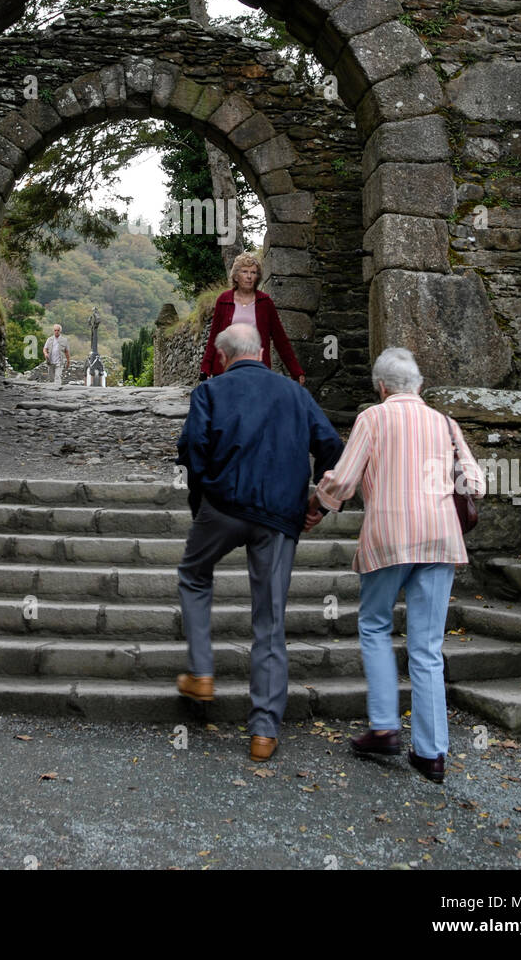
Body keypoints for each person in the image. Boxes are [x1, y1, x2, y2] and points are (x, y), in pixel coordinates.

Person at [306, 346, 485, 784]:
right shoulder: (445, 422)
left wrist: (317, 507)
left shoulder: (373, 417)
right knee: (426, 648)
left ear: (381, 387)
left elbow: (344, 479)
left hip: (389, 537)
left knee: (374, 626)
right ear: (419, 385)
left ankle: (385, 726)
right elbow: (475, 483)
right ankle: (431, 754)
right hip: (441, 539)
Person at [176, 323, 343, 762]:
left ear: (225, 357)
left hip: (224, 505)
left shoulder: (210, 392)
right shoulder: (295, 394)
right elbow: (332, 448)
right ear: (262, 351)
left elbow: (192, 448)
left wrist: (203, 503)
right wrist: (318, 504)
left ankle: (201, 672)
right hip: (279, 517)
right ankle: (263, 732)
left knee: (194, 574)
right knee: (269, 620)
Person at [199, 252, 305, 385]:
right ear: (236, 276)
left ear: (257, 277)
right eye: (244, 272)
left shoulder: (265, 303)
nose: (249, 276)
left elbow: (280, 340)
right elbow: (214, 337)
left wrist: (296, 370)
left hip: (257, 370)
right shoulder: (223, 300)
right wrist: (206, 368)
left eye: (253, 272)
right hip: (226, 370)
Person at [43, 322, 70, 387]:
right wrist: (46, 354)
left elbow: (66, 352)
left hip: (59, 361)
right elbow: (45, 349)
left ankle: (58, 387)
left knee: (58, 375)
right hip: (50, 361)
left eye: (58, 330)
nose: (56, 332)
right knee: (51, 377)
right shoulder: (49, 339)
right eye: (55, 330)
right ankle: (53, 387)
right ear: (53, 331)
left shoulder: (64, 340)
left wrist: (68, 361)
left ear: (60, 331)